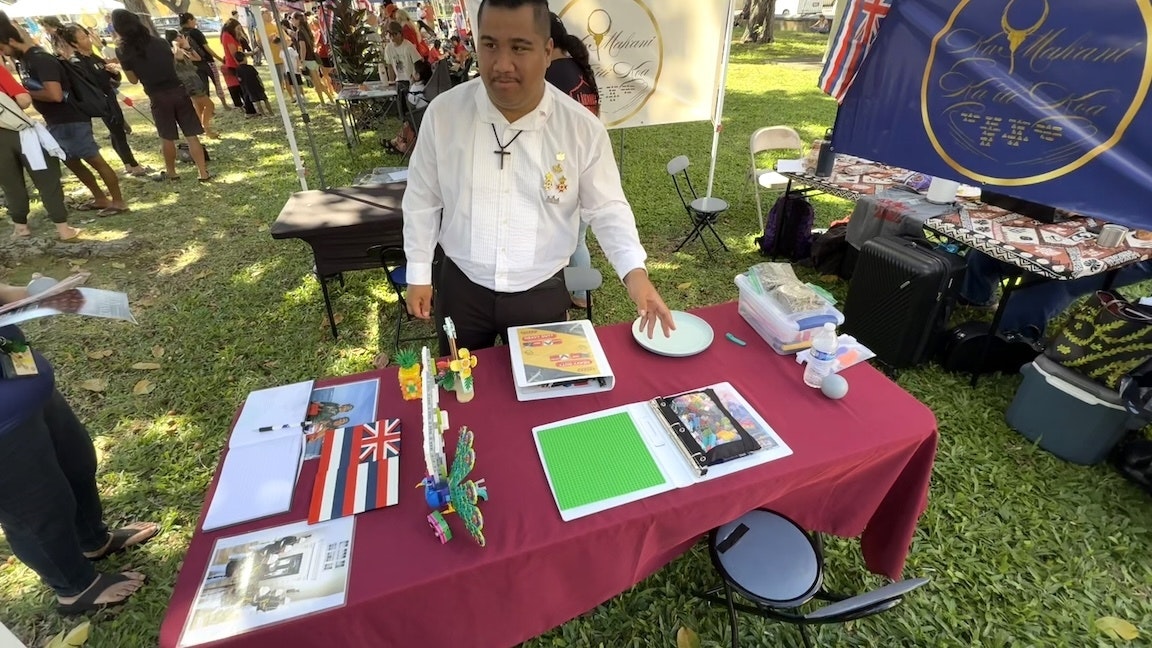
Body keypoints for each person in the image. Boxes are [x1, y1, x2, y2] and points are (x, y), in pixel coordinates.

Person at [402, 0, 674, 354]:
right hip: (461, 287)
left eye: (519, 47)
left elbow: (607, 208)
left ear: (547, 52)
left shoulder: (580, 129)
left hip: (541, 292)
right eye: (489, 45)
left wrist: (636, 276)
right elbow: (423, 198)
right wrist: (419, 272)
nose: (502, 64)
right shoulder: (444, 115)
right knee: (463, 391)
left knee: (544, 400)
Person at [0, 278, 159, 615]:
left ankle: (92, 541)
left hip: (22, 380)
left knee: (77, 463)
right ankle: (74, 587)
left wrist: (35, 296)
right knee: (36, 510)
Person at [0, 15, 128, 217]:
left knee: (94, 159)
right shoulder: (25, 61)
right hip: (55, 121)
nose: (3, 54)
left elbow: (55, 94)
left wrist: (20, 93)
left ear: (11, 42)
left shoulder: (40, 60)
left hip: (72, 118)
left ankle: (118, 201)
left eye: (2, 48)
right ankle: (100, 197)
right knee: (72, 161)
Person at [960, 251, 1152, 341]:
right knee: (990, 250)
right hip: (1087, 218)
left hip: (1138, 247)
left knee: (1053, 279)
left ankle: (1015, 336)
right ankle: (974, 295)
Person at [112, 9, 210, 182]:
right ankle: (203, 172)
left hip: (157, 95)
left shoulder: (123, 50)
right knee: (191, 135)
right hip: (178, 90)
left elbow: (133, 80)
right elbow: (171, 65)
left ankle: (172, 173)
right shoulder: (160, 42)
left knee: (167, 137)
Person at [545, 12, 599, 309]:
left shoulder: (552, 75)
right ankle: (580, 291)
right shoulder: (579, 69)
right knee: (578, 236)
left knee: (570, 239)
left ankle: (578, 294)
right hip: (584, 164)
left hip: (563, 168)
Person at [59, 24, 152, 179]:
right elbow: (91, 83)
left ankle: (128, 164)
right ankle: (133, 165)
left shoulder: (93, 57)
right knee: (117, 130)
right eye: (82, 38)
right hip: (101, 101)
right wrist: (104, 75)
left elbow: (111, 78)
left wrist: (114, 73)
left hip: (109, 96)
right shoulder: (77, 62)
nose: (87, 40)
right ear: (74, 43)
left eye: (86, 36)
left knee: (118, 130)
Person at [0, 57, 79, 240]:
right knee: (46, 178)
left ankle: (21, 227)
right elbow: (23, 99)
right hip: (19, 131)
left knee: (10, 184)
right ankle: (63, 228)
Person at [167, 29, 217, 138]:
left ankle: (202, 130)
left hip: (195, 81)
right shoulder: (174, 51)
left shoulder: (183, 50)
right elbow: (178, 57)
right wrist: (175, 44)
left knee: (198, 107)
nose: (182, 37)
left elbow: (197, 58)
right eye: (179, 36)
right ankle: (206, 128)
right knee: (209, 105)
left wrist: (188, 46)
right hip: (190, 84)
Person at [179, 13, 229, 110]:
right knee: (217, 82)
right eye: (194, 20)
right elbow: (206, 48)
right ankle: (224, 105)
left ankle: (208, 108)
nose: (195, 22)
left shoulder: (180, 34)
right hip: (207, 61)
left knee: (203, 85)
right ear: (189, 20)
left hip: (194, 63)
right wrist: (219, 59)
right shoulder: (196, 32)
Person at [384, 58, 431, 155]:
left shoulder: (417, 88)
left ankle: (398, 144)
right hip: (421, 115)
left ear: (417, 76)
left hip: (417, 116)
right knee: (406, 126)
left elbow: (411, 104)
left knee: (407, 125)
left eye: (413, 71)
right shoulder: (425, 86)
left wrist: (409, 88)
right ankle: (395, 142)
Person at [383, 20, 420, 114]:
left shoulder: (408, 46)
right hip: (399, 80)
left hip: (410, 80)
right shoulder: (388, 48)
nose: (391, 37)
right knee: (401, 107)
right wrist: (390, 82)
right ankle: (405, 121)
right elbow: (390, 65)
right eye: (389, 34)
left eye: (394, 34)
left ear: (399, 34)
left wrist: (416, 78)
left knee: (411, 106)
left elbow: (418, 62)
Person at [219, 19, 255, 115]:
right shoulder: (227, 36)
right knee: (243, 88)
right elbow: (235, 54)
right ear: (232, 27)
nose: (239, 31)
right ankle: (249, 110)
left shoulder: (233, 36)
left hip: (238, 64)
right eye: (238, 29)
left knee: (243, 88)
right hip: (235, 65)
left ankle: (249, 109)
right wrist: (241, 66)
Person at [234, 51, 270, 116]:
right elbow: (257, 76)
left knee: (257, 102)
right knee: (265, 99)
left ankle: (263, 115)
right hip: (257, 86)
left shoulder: (238, 69)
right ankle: (271, 113)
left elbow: (239, 79)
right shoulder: (250, 67)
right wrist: (261, 84)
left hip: (249, 88)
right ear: (244, 58)